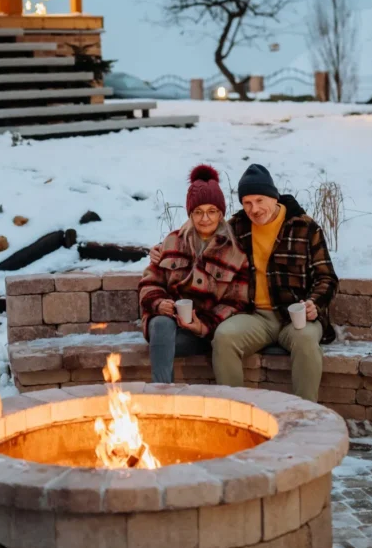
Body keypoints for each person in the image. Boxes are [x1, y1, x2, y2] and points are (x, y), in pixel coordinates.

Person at [211, 163, 338, 402]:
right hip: (255, 317)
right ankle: (234, 415)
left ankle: (306, 414)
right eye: (247, 203)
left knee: (305, 342)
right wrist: (163, 250)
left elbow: (326, 277)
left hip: (297, 316)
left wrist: (314, 303)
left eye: (260, 200)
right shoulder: (237, 227)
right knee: (224, 337)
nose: (254, 209)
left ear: (273, 197)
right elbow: (205, 244)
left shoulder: (304, 227)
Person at [139, 165, 250, 384]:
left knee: (166, 342)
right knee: (161, 324)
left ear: (220, 214)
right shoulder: (173, 241)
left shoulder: (235, 252)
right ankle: (163, 395)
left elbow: (237, 302)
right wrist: (159, 303)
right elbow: (149, 282)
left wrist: (202, 326)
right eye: (198, 212)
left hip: (203, 334)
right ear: (190, 214)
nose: (205, 218)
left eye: (211, 211)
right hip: (167, 327)